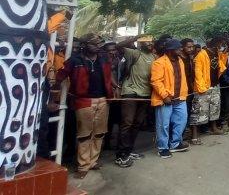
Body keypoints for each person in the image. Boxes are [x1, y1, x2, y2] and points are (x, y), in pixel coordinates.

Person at [55, 34, 113, 179]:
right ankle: (83, 164)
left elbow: (109, 76)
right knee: (84, 134)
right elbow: (61, 74)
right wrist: (54, 89)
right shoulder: (75, 59)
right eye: (94, 44)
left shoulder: (104, 59)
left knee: (99, 133)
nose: (97, 46)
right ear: (85, 45)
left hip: (103, 100)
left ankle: (93, 161)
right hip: (84, 101)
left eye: (99, 44)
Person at [115, 35, 156, 167]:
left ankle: (128, 150)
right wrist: (136, 37)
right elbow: (119, 46)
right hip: (131, 92)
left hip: (145, 94)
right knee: (127, 123)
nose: (150, 44)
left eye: (151, 42)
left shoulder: (154, 57)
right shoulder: (134, 53)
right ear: (141, 44)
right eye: (147, 42)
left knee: (137, 123)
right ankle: (121, 155)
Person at [150, 39, 189, 159]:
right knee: (163, 125)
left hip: (180, 98)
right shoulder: (159, 62)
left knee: (181, 121)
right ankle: (163, 148)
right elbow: (156, 81)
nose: (180, 50)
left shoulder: (180, 61)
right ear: (170, 50)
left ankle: (175, 144)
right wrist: (165, 95)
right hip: (165, 99)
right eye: (178, 48)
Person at [190, 37, 227, 144]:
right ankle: (194, 136)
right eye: (221, 44)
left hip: (215, 86)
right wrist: (202, 88)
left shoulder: (217, 53)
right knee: (199, 111)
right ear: (216, 44)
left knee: (214, 109)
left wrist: (224, 54)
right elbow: (197, 73)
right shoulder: (202, 54)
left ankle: (213, 128)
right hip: (203, 88)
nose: (222, 47)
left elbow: (222, 66)